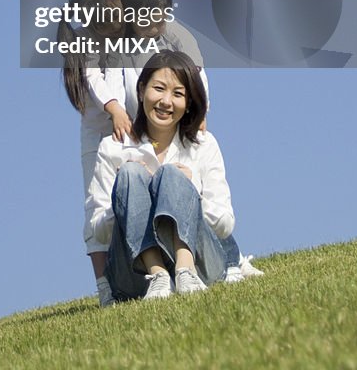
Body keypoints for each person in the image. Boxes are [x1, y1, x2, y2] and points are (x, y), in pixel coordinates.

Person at [87, 50, 256, 301]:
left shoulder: (203, 144)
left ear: (188, 104)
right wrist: (124, 198)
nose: (166, 101)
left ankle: (185, 271)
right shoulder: (113, 148)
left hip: (202, 265)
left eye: (177, 94)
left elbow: (225, 224)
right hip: (135, 275)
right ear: (142, 89)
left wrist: (188, 192)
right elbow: (98, 231)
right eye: (159, 88)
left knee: (172, 175)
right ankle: (158, 276)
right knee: (132, 173)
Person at [57, 0, 134, 307]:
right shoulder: (82, 38)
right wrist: (114, 108)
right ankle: (105, 287)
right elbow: (93, 78)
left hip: (128, 123)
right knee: (96, 206)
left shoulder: (122, 22)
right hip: (97, 130)